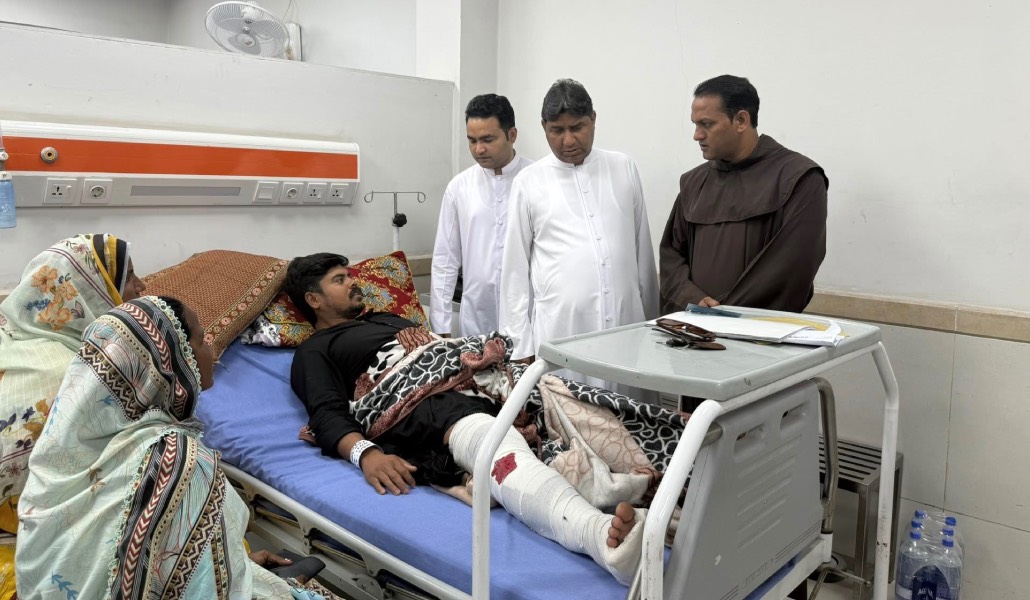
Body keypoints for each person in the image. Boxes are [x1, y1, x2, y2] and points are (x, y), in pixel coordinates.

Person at [285, 253, 647, 585]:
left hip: (481, 381)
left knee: (597, 410)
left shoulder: (385, 318)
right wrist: (367, 454)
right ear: (313, 300)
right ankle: (597, 535)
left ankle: (666, 487)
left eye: (349, 275)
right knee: (493, 444)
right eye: (339, 280)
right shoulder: (315, 350)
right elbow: (326, 414)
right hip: (426, 402)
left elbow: (441, 348)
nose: (353, 282)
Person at [16, 296, 338, 599]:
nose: (212, 350)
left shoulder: (56, 460)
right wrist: (251, 581)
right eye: (200, 340)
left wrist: (236, 562)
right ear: (170, 362)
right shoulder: (177, 460)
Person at [499, 78, 659, 395]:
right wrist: (519, 346)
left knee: (631, 411)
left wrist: (653, 326)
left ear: (593, 119)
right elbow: (515, 270)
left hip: (628, 330)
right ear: (543, 127)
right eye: (557, 130)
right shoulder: (529, 182)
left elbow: (643, 253)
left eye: (577, 127)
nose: (568, 140)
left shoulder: (623, 167)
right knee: (569, 413)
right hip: (562, 334)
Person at [0, 233, 146, 533]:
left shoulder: (11, 336)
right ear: (93, 293)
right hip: (33, 535)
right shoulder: (80, 374)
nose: (141, 285)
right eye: (129, 276)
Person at [659, 74, 828, 314]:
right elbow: (671, 255)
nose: (697, 135)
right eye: (695, 125)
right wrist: (693, 298)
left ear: (741, 120)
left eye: (706, 124)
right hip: (696, 325)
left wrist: (725, 316)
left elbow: (793, 265)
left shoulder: (799, 178)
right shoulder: (693, 182)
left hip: (762, 330)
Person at [430, 93, 533, 337]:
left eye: (488, 139)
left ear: (512, 135)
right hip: (477, 319)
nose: (479, 149)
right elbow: (445, 260)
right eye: (472, 141)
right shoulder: (459, 187)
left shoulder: (537, 179)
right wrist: (441, 324)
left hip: (529, 316)